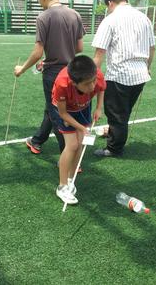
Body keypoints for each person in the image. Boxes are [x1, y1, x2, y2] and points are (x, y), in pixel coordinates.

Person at [14, 0, 85, 155]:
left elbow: (38, 52)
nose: (39, 3)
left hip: (54, 74)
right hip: (72, 72)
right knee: (52, 108)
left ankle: (69, 155)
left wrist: (21, 69)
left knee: (57, 115)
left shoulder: (43, 17)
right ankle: (37, 141)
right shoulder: (74, 14)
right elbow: (79, 48)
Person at [91, 0, 155, 157]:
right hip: (140, 75)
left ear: (110, 2)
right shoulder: (144, 18)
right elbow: (152, 48)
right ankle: (114, 133)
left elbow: (99, 53)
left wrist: (89, 78)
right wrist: (147, 67)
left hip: (120, 75)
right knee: (123, 111)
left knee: (116, 114)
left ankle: (114, 148)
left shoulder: (110, 20)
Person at [52, 55, 106, 204]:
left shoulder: (95, 74)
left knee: (81, 143)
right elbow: (63, 113)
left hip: (83, 106)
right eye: (88, 84)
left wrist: (98, 108)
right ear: (74, 83)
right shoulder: (62, 84)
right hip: (65, 110)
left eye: (94, 80)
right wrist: (82, 127)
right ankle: (62, 186)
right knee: (72, 145)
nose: (92, 86)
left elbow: (101, 88)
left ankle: (71, 179)